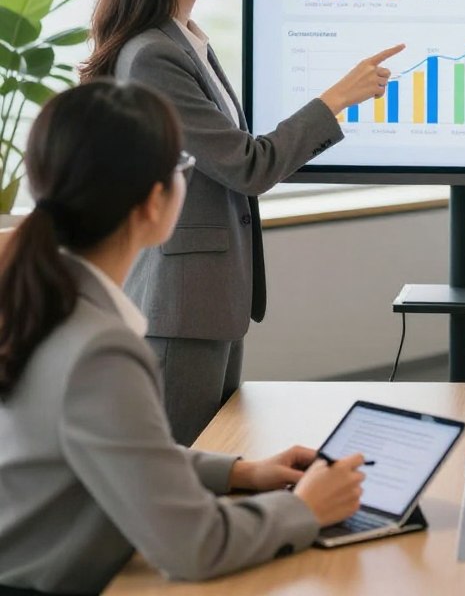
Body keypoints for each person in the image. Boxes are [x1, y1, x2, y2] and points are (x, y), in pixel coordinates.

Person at [0, 81, 367, 593]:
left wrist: (242, 472)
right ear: (154, 202)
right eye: (182, 168)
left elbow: (124, 448)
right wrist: (303, 507)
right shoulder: (98, 349)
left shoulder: (43, 300)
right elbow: (193, 546)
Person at [80, 0, 403, 444]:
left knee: (218, 453)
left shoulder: (184, 39)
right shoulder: (154, 54)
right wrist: (336, 99)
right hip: (181, 306)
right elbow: (246, 166)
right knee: (188, 468)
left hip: (206, 297)